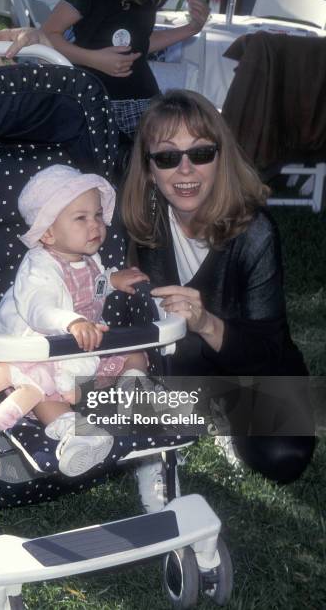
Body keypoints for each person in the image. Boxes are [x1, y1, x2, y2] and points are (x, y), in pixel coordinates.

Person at [120, 89, 315, 493]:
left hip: (252, 367)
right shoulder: (139, 220)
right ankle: (188, 414)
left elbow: (267, 352)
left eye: (201, 153)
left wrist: (207, 322)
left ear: (220, 157)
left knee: (284, 457)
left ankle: (204, 413)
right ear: (149, 168)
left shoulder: (254, 232)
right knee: (90, 405)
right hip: (174, 366)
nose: (186, 170)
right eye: (168, 157)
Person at [0, 164, 150, 478]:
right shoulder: (39, 265)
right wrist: (71, 321)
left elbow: (90, 288)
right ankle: (73, 432)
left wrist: (112, 280)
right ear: (48, 232)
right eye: (81, 218)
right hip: (44, 344)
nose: (95, 224)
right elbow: (40, 307)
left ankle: (132, 394)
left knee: (135, 353)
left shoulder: (89, 259)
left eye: (96, 215)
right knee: (42, 390)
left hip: (83, 343)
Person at [0, 0, 210, 136]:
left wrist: (191, 28)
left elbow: (141, 42)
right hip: (96, 103)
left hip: (143, 103)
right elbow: (48, 34)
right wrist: (92, 59)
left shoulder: (147, 0)